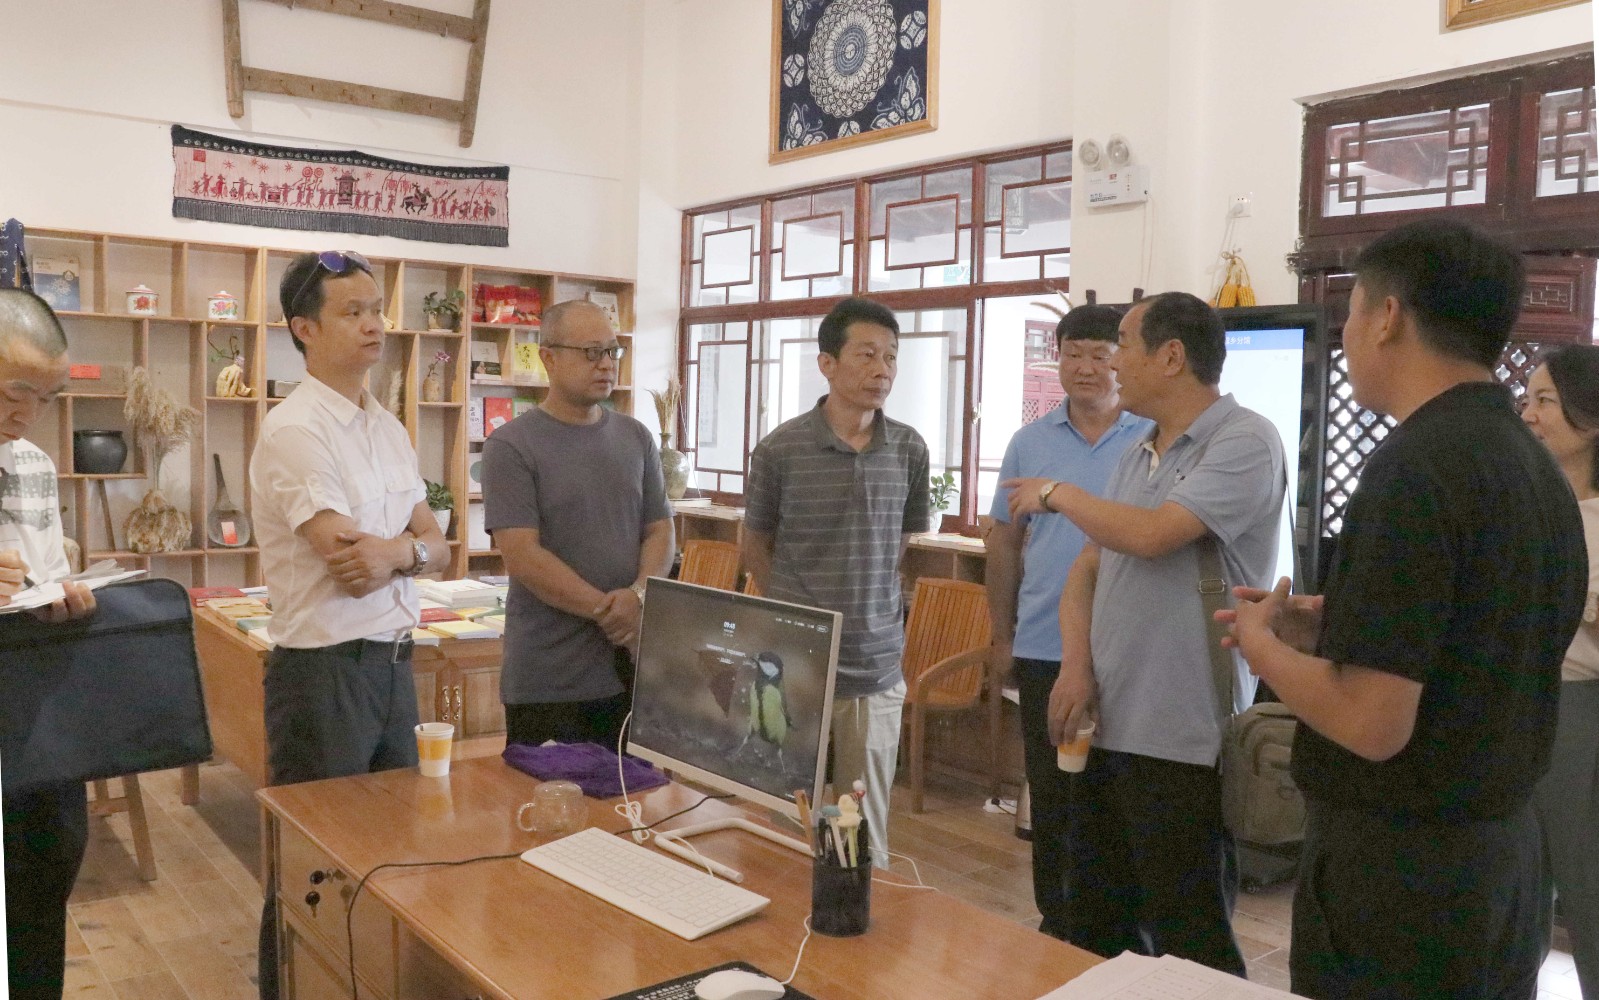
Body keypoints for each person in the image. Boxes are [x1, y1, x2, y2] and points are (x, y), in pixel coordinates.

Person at [1222, 219, 1586, 999]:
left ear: (1387, 316)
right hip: (1503, 864)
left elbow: (1372, 723)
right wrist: (1335, 624)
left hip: (1405, 877)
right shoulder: (1530, 464)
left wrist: (1261, 646)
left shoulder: (1413, 469)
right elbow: (1479, 633)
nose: (1347, 335)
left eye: (1352, 310)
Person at [1004, 291, 1284, 975]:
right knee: (1096, 921)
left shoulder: (1244, 439)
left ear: (1171, 356)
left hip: (1181, 730)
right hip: (1107, 720)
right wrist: (1076, 665)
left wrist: (1056, 493)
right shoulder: (1140, 451)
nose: (1112, 364)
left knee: (1189, 934)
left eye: (1123, 346)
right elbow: (1087, 567)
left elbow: (1155, 535)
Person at [250, 250, 448, 1000]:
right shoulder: (295, 429)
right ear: (303, 328)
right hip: (322, 674)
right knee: (311, 864)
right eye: (352, 312)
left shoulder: (387, 426)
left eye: (376, 310)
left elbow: (438, 544)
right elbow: (349, 563)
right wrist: (410, 551)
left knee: (390, 850)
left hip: (394, 662)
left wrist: (401, 551)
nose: (374, 325)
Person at [742, 296, 929, 869]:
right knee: (783, 820)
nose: (882, 370)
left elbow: (899, 542)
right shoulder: (780, 449)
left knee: (860, 831)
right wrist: (796, 612)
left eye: (891, 357)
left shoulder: (909, 448)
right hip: (790, 664)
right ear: (826, 363)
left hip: (874, 664)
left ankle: (856, 918)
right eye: (867, 355)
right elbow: (755, 545)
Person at [985, 304, 1149, 938]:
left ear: (1122, 360)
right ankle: (1057, 922)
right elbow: (1004, 543)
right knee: (1054, 795)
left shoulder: (1149, 436)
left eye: (1100, 354)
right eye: (1072, 353)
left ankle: (1119, 934)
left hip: (1127, 648)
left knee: (1119, 795)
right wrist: (1002, 635)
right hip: (1043, 645)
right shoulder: (1029, 442)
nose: (1085, 367)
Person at [482, 299, 673, 748]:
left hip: (631, 668)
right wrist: (610, 611)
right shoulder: (511, 445)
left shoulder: (636, 437)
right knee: (549, 792)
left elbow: (660, 530)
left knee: (631, 789)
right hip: (550, 677)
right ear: (548, 357)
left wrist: (638, 596)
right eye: (591, 352)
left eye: (612, 351)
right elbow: (523, 556)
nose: (606, 364)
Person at [0, 289, 98, 1000]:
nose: (27, 415)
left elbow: (45, 575)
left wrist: (67, 598)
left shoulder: (32, 464)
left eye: (46, 397)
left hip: (36, 720)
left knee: (44, 882)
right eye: (14, 393)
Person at [1522, 344, 1599, 998]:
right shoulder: (1531, 505)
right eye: (1527, 399)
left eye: (1544, 400)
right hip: (1517, 705)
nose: (1528, 414)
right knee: (1516, 896)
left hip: (1581, 714)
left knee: (1588, 893)